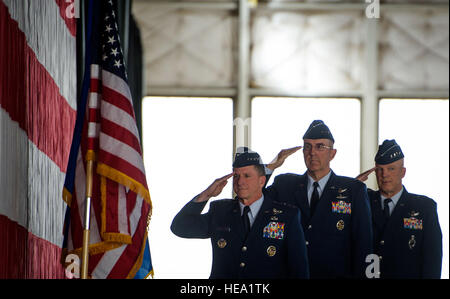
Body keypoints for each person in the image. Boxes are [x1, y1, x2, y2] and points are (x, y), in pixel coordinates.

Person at [170, 147, 309, 279]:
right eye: (236, 176)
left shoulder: (287, 216)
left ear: (262, 181)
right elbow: (180, 227)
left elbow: (299, 270)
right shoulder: (220, 212)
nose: (240, 181)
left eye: (247, 176)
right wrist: (207, 194)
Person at [265, 120, 373, 278]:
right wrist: (270, 167)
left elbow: (363, 246)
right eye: (307, 146)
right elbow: (253, 202)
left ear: (332, 153)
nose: (312, 152)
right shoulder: (285, 184)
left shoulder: (353, 190)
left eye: (320, 146)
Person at [356, 139, 442, 279]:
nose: (385, 175)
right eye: (380, 169)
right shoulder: (364, 201)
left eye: (391, 169)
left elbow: (432, 263)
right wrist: (353, 186)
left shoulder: (424, 208)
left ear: (403, 172)